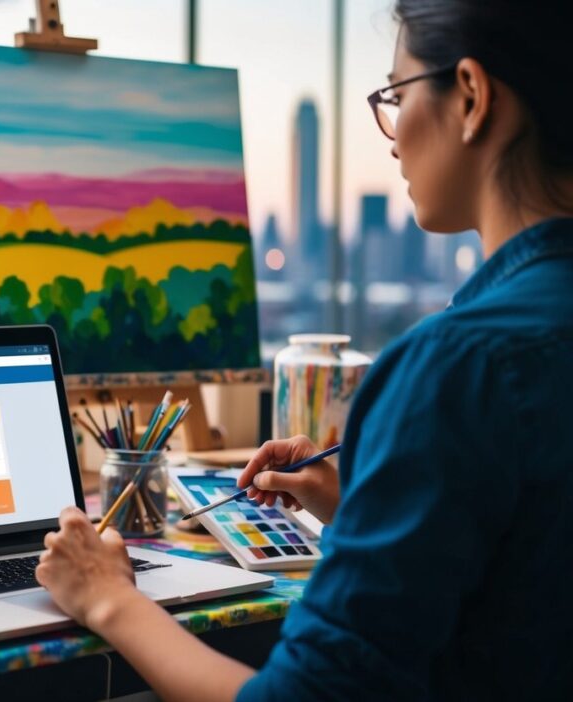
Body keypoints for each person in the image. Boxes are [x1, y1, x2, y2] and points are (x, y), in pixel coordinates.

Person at [35, 1, 573, 699]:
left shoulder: (455, 366)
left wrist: (107, 596)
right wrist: (366, 514)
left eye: (396, 95)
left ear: (470, 97)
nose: (390, 137)